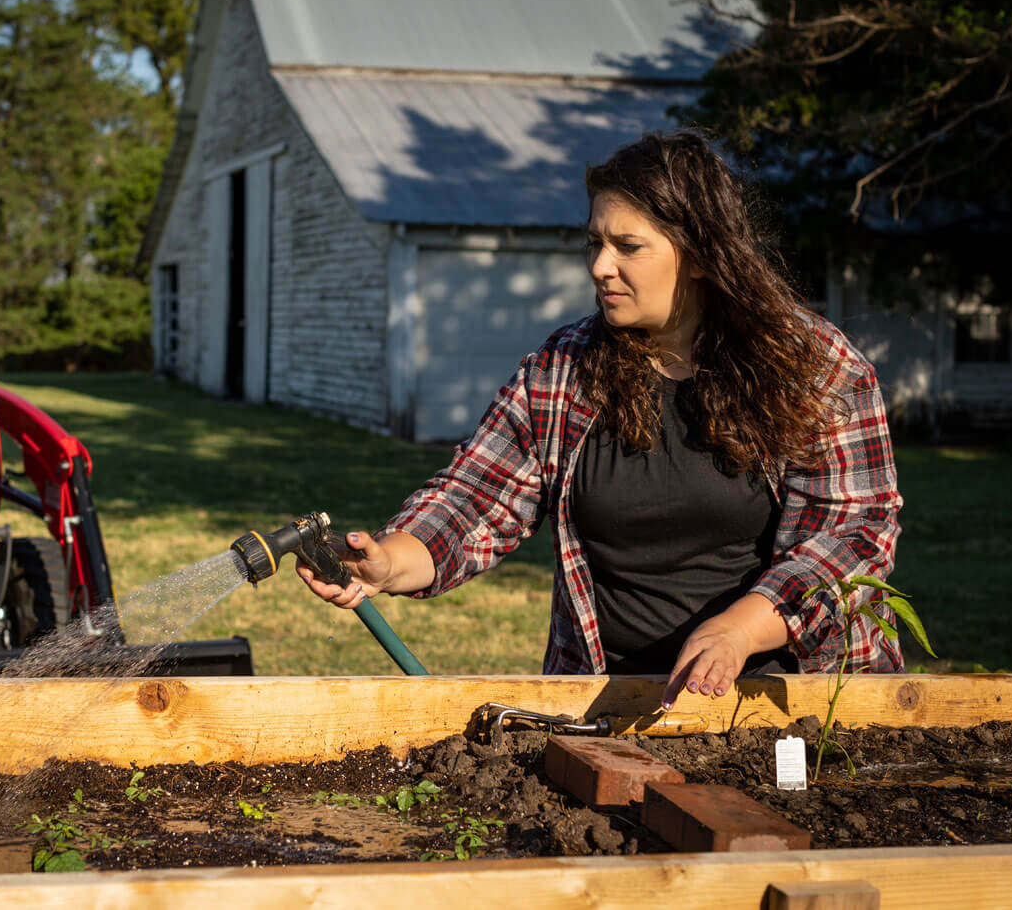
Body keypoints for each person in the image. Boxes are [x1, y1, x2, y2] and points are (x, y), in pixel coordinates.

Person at [298, 130, 904, 709]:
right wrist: (389, 562)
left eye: (627, 246)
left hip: (784, 701)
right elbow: (475, 498)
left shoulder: (812, 368)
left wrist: (739, 630)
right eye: (595, 243)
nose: (599, 266)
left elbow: (853, 536)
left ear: (700, 253)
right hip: (606, 700)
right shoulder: (565, 370)